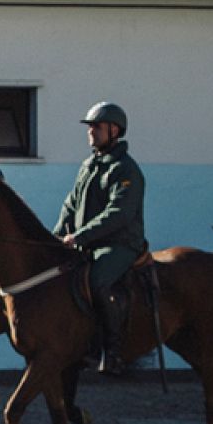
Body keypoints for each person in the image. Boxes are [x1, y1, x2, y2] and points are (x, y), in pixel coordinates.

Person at [53, 101, 146, 376]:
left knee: (97, 280)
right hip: (89, 243)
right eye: (89, 127)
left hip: (120, 243)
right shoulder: (89, 165)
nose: (90, 131)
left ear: (114, 130)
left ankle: (112, 351)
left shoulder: (126, 169)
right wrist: (56, 236)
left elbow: (119, 213)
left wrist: (80, 236)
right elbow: (71, 204)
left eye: (96, 126)